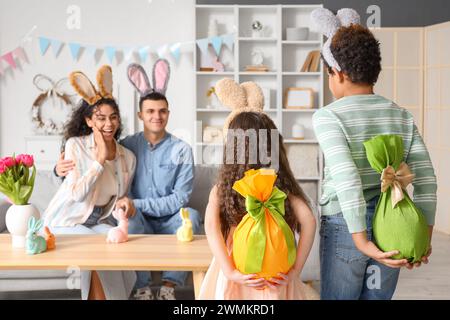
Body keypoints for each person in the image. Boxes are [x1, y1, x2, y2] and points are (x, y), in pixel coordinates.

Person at [310, 8, 437, 299]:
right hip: (393, 221)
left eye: (329, 73)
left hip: (345, 225)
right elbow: (427, 177)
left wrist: (361, 241)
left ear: (339, 74)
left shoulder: (328, 117)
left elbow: (347, 178)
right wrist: (424, 235)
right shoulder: (400, 115)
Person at [55, 60, 201, 300]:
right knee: (124, 220)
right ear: (140, 115)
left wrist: (136, 204)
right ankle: (142, 288)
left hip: (168, 218)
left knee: (192, 216)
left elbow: (181, 197)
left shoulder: (181, 149)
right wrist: (57, 169)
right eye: (151, 111)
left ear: (168, 113)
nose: (157, 116)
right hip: (136, 218)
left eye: (162, 111)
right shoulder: (127, 147)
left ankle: (168, 287)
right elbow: (94, 165)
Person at [199, 78, 316, 299]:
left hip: (239, 272)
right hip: (275, 276)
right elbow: (309, 220)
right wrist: (295, 271)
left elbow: (211, 227)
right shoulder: (280, 186)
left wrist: (229, 271)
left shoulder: (222, 188)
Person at [44, 65, 137, 300]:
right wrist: (99, 161)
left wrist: (126, 203)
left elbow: (120, 197)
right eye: (101, 118)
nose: (109, 124)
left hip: (96, 222)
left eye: (113, 117)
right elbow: (76, 194)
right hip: (66, 221)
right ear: (89, 120)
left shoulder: (128, 157)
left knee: (120, 250)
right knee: (100, 251)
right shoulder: (75, 145)